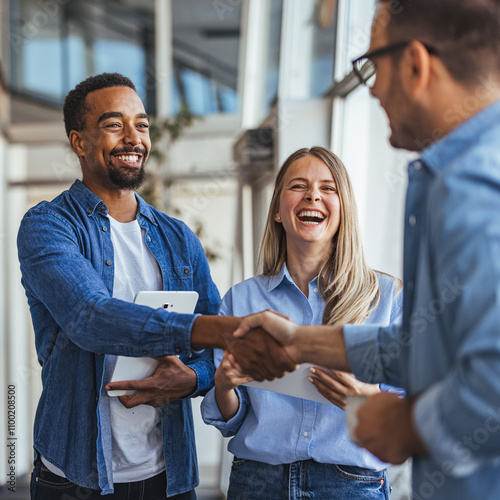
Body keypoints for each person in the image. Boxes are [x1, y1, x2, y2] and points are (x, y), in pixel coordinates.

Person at [233, 1, 500, 498]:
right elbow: (426, 349)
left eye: (372, 65)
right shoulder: (452, 174)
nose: (372, 87)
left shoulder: (473, 183)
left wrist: (404, 423)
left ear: (416, 64)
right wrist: (299, 341)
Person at [17, 73, 294, 500]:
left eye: (141, 125)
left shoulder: (177, 237)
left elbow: (214, 355)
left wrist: (192, 378)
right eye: (113, 125)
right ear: (79, 142)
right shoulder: (49, 226)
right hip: (75, 477)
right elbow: (89, 317)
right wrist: (213, 329)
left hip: (168, 474)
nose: (133, 138)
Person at [201, 146, 403, 499]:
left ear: (344, 210)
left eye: (328, 188)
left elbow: (412, 406)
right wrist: (224, 385)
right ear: (278, 210)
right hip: (257, 483)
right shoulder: (242, 299)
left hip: (350, 485)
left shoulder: (386, 297)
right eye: (298, 186)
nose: (313, 195)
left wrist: (365, 396)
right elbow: (232, 418)